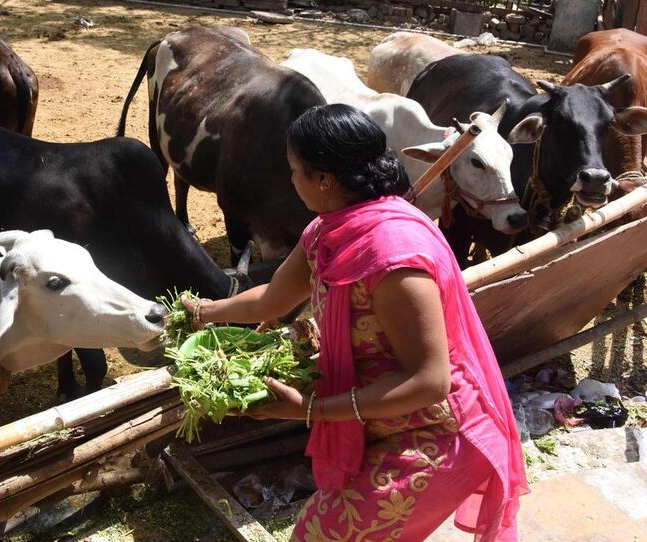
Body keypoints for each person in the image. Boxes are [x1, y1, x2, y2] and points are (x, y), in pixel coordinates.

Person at [183, 104, 528, 541]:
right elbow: (272, 299)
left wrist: (311, 410)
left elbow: (430, 381)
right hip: (381, 422)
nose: (291, 180)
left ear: (324, 178)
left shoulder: (392, 256)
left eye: (294, 170)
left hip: (437, 435)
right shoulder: (327, 231)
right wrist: (205, 312)